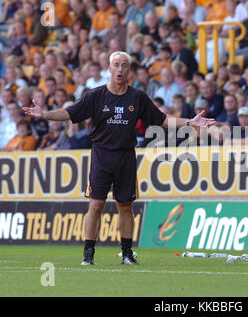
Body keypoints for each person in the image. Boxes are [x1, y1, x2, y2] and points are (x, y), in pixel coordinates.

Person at [22, 51, 216, 266]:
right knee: (95, 205)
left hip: (126, 156)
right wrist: (44, 114)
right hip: (101, 155)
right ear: (110, 68)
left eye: (124, 65)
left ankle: (127, 253)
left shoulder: (137, 97)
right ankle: (88, 254)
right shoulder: (95, 95)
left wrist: (190, 122)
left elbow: (161, 119)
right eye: (116, 65)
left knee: (125, 206)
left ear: (129, 70)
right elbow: (70, 112)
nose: (120, 69)